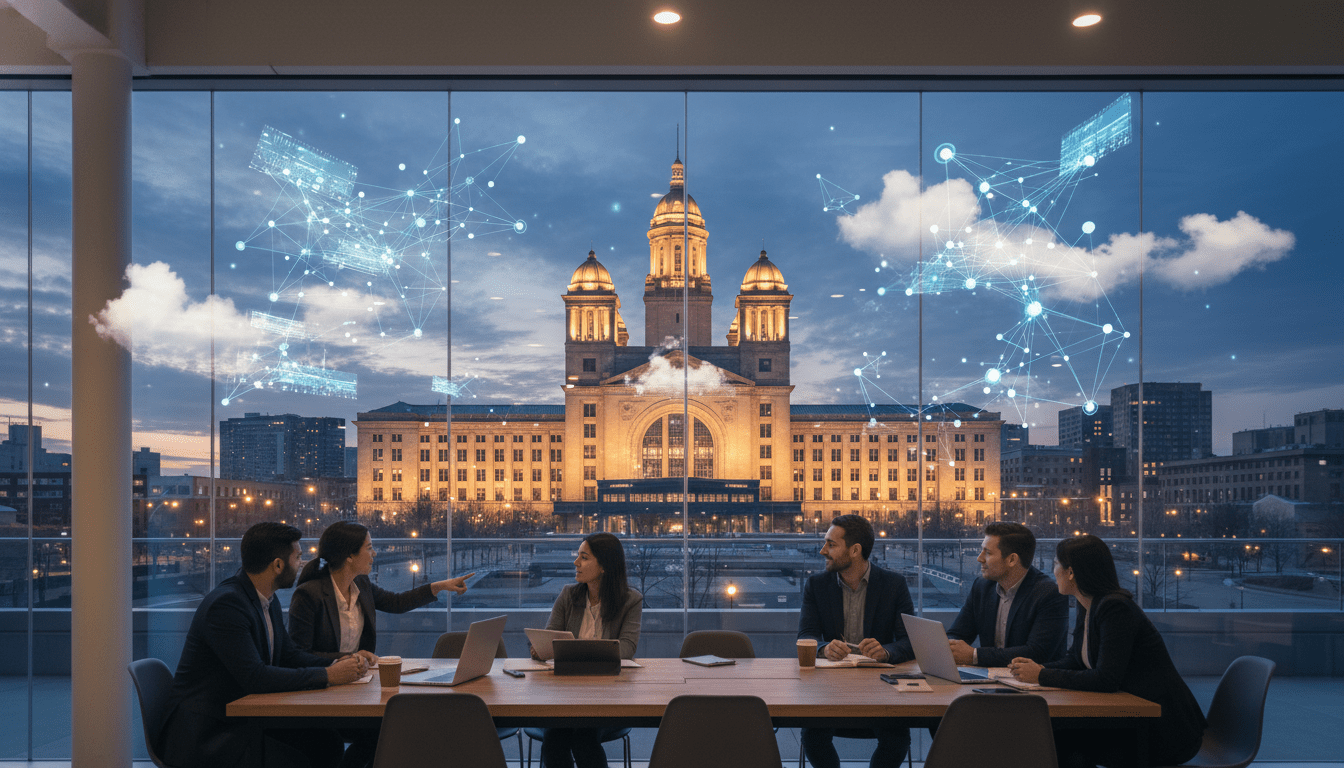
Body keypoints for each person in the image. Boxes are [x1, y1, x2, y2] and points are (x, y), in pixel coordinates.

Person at [159, 522, 367, 768]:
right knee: (304, 756)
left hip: (243, 720)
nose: (302, 563)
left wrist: (337, 662)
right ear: (278, 565)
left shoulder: (267, 599)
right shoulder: (226, 606)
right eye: (298, 557)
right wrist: (328, 674)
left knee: (326, 741)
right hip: (210, 734)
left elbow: (289, 655)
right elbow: (255, 677)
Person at [287, 521, 474, 768]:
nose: (374, 553)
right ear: (350, 556)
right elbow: (297, 655)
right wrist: (345, 657)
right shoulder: (309, 595)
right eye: (369, 547)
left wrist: (439, 586)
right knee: (387, 731)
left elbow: (396, 603)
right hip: (324, 691)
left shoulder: (361, 585)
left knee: (395, 728)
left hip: (357, 687)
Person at [1009, 534, 1206, 768]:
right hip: (1131, 721)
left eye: (1055, 565)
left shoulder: (1115, 608)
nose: (1053, 572)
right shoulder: (1089, 604)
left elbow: (1106, 679)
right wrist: (1035, 670)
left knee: (1056, 737)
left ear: (1071, 572)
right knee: (1053, 734)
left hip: (1160, 730)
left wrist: (1040, 676)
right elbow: (1076, 660)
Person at [797, 514, 913, 768]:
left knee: (897, 740)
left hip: (881, 689)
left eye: (831, 544)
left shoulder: (894, 585)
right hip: (829, 688)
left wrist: (886, 651)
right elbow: (806, 635)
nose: (822, 550)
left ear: (855, 550)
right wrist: (824, 648)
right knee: (812, 736)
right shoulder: (816, 585)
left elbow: (909, 642)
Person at [536, 532, 642, 768]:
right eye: (578, 556)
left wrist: (573, 652)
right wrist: (540, 648)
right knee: (554, 740)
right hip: (563, 695)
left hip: (608, 697)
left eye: (584, 557)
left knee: (584, 739)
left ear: (604, 566)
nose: (576, 563)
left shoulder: (630, 600)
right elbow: (550, 637)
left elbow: (627, 648)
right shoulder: (568, 595)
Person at [946, 521, 1069, 668]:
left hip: (1034, 685)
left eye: (988, 553)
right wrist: (949, 647)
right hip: (990, 681)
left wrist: (974, 656)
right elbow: (958, 634)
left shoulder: (1049, 594)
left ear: (1012, 560)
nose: (980, 558)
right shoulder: (982, 587)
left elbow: (1037, 653)